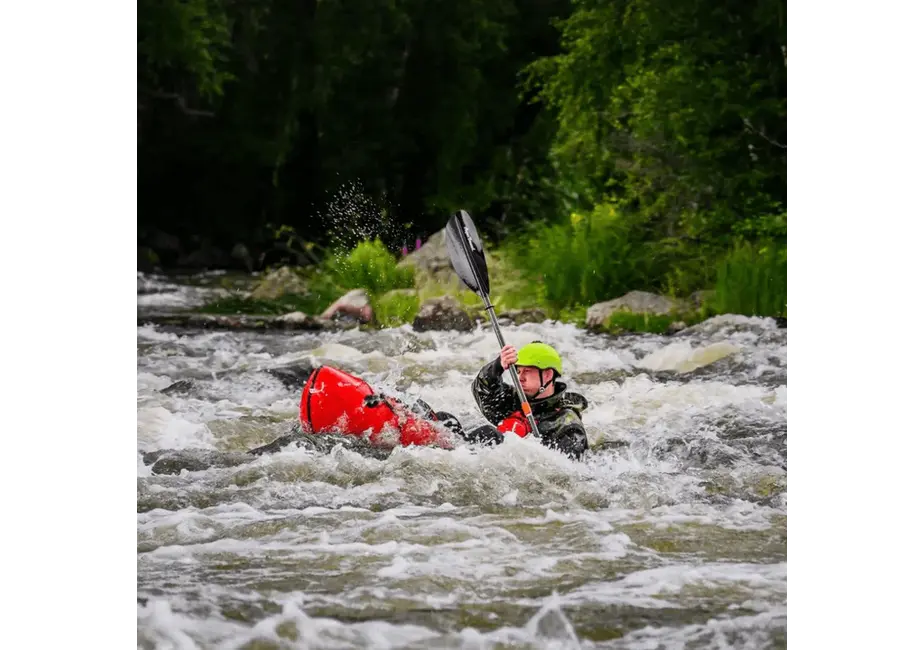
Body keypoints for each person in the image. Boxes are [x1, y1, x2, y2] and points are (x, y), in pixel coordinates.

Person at [462, 341, 589, 460]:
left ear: (547, 375)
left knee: (490, 435)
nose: (520, 378)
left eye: (527, 371)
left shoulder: (568, 425)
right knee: (445, 420)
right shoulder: (513, 399)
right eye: (518, 371)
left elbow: (565, 471)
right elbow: (482, 390)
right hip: (488, 460)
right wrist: (497, 366)